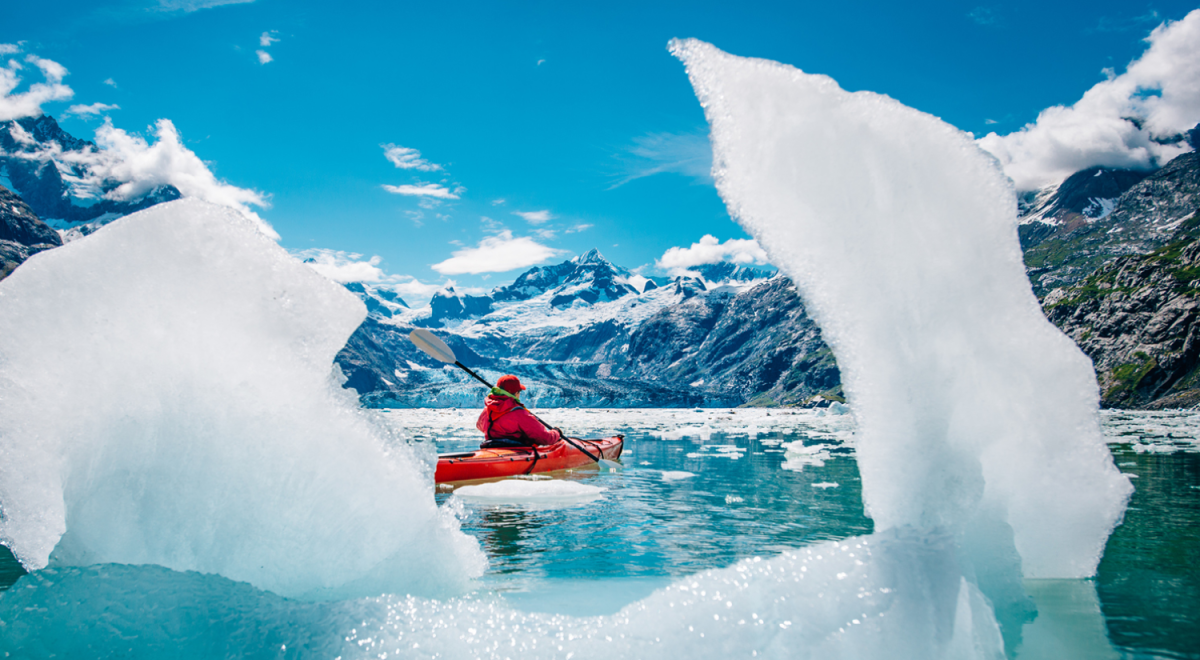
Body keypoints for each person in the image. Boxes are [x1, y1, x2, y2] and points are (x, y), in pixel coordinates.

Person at [476, 374, 564, 448]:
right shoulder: (519, 413)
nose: (519, 394)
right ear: (516, 393)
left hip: (490, 447)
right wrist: (556, 432)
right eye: (519, 391)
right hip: (516, 452)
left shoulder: (487, 409)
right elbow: (546, 438)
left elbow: (480, 426)